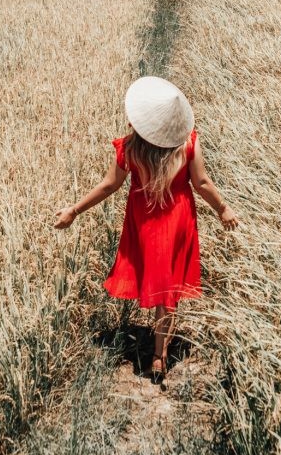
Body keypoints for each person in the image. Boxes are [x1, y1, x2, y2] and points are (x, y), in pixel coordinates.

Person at [55, 76, 238, 382]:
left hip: (144, 220)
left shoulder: (130, 147)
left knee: (156, 276)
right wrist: (223, 209)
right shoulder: (188, 143)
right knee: (168, 287)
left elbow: (108, 186)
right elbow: (202, 183)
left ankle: (156, 352)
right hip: (177, 218)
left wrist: (74, 210)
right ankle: (159, 356)